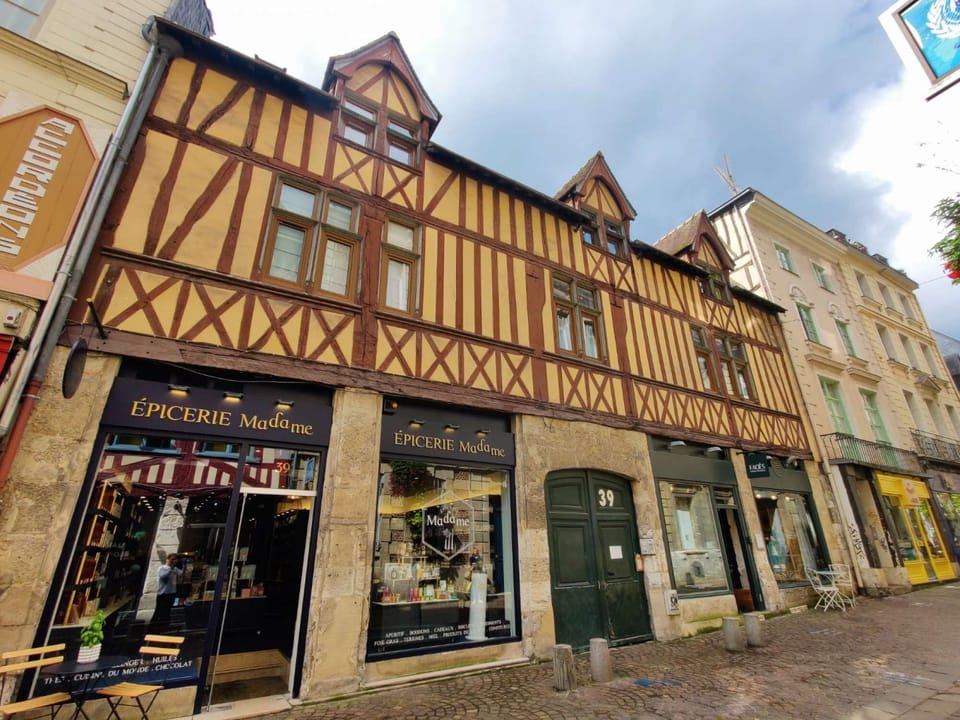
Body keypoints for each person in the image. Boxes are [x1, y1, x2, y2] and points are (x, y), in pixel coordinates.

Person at [151, 553, 183, 627]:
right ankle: (153, 627)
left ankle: (164, 626)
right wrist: (170, 568)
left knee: (167, 611)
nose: (174, 561)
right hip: (163, 594)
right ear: (167, 560)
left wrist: (182, 564)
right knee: (159, 611)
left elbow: (180, 573)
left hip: (171, 593)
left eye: (175, 560)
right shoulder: (162, 568)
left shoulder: (175, 569)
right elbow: (163, 576)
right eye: (172, 559)